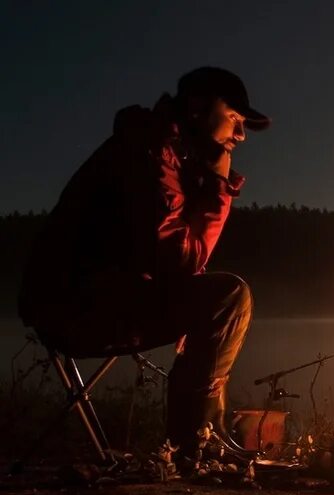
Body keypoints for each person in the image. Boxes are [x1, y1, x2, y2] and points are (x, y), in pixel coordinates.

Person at [18, 66, 270, 458]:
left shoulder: (164, 152)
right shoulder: (152, 153)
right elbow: (177, 259)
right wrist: (219, 189)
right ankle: (196, 446)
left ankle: (199, 439)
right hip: (75, 308)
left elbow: (176, 258)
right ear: (198, 108)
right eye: (235, 119)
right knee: (229, 297)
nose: (239, 135)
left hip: (90, 297)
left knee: (219, 300)